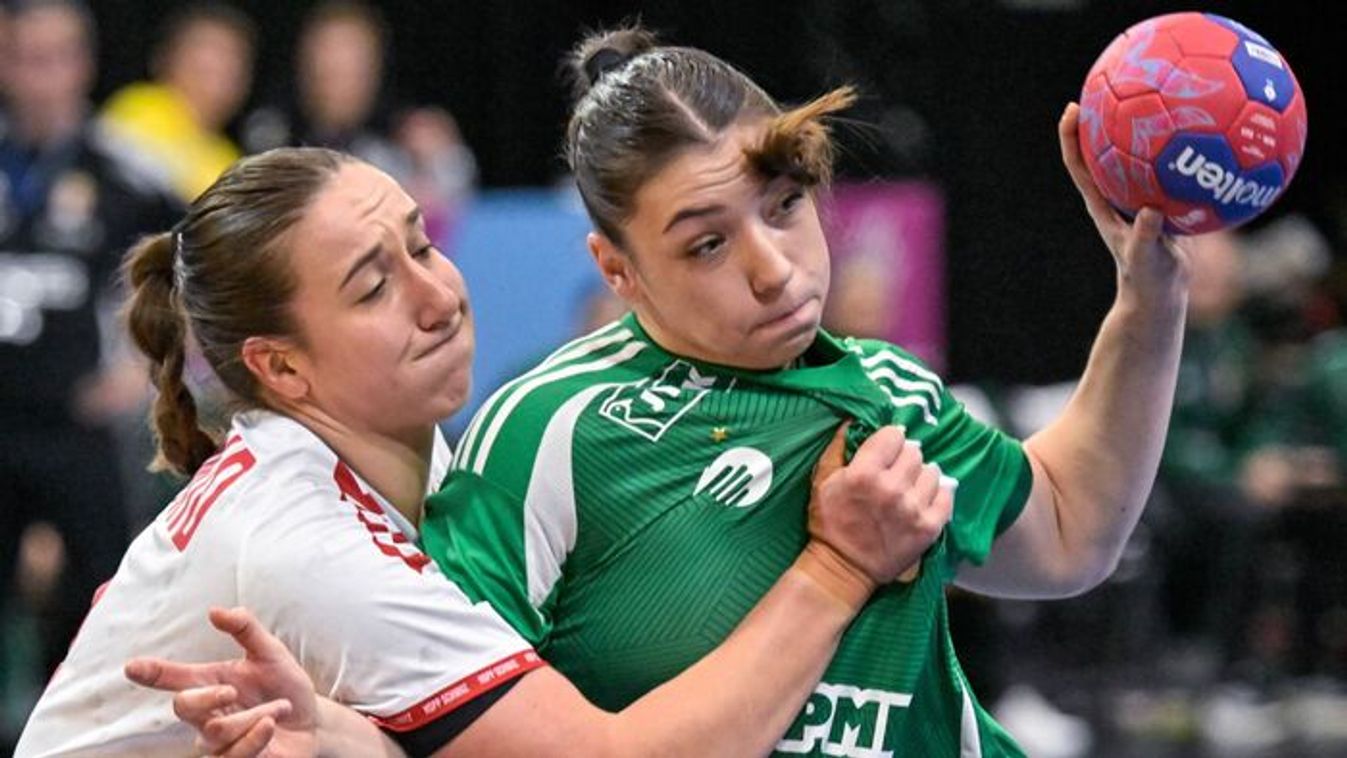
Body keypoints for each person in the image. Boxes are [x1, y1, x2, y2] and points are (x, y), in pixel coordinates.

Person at [148, 24, 1194, 757]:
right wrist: (338, 737)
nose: (775, 269)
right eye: (706, 243)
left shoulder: (889, 391)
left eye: (784, 205)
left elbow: (1069, 533)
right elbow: (458, 728)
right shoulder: (547, 431)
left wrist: (1148, 297)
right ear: (619, 270)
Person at [15, 145, 949, 756]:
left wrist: (348, 741)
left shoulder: (414, 462)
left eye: (422, 246)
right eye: (373, 288)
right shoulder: (308, 546)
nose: (439, 297)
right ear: (282, 368)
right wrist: (837, 568)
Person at [0, 0, 179, 691]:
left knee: (97, 607)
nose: (40, 78)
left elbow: (193, 262)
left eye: (55, 59)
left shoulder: (124, 172)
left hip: (77, 428)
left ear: (83, 64)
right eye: (24, 59)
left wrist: (145, 366)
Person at [241, 0, 475, 247]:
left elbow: (453, 204)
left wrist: (441, 159)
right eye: (327, 63)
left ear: (375, 66)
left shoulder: (404, 136)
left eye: (351, 63)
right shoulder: (270, 134)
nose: (338, 73)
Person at [99, 2, 255, 202]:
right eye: (205, 68)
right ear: (165, 59)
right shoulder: (138, 108)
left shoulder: (229, 160)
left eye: (232, 66)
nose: (220, 72)